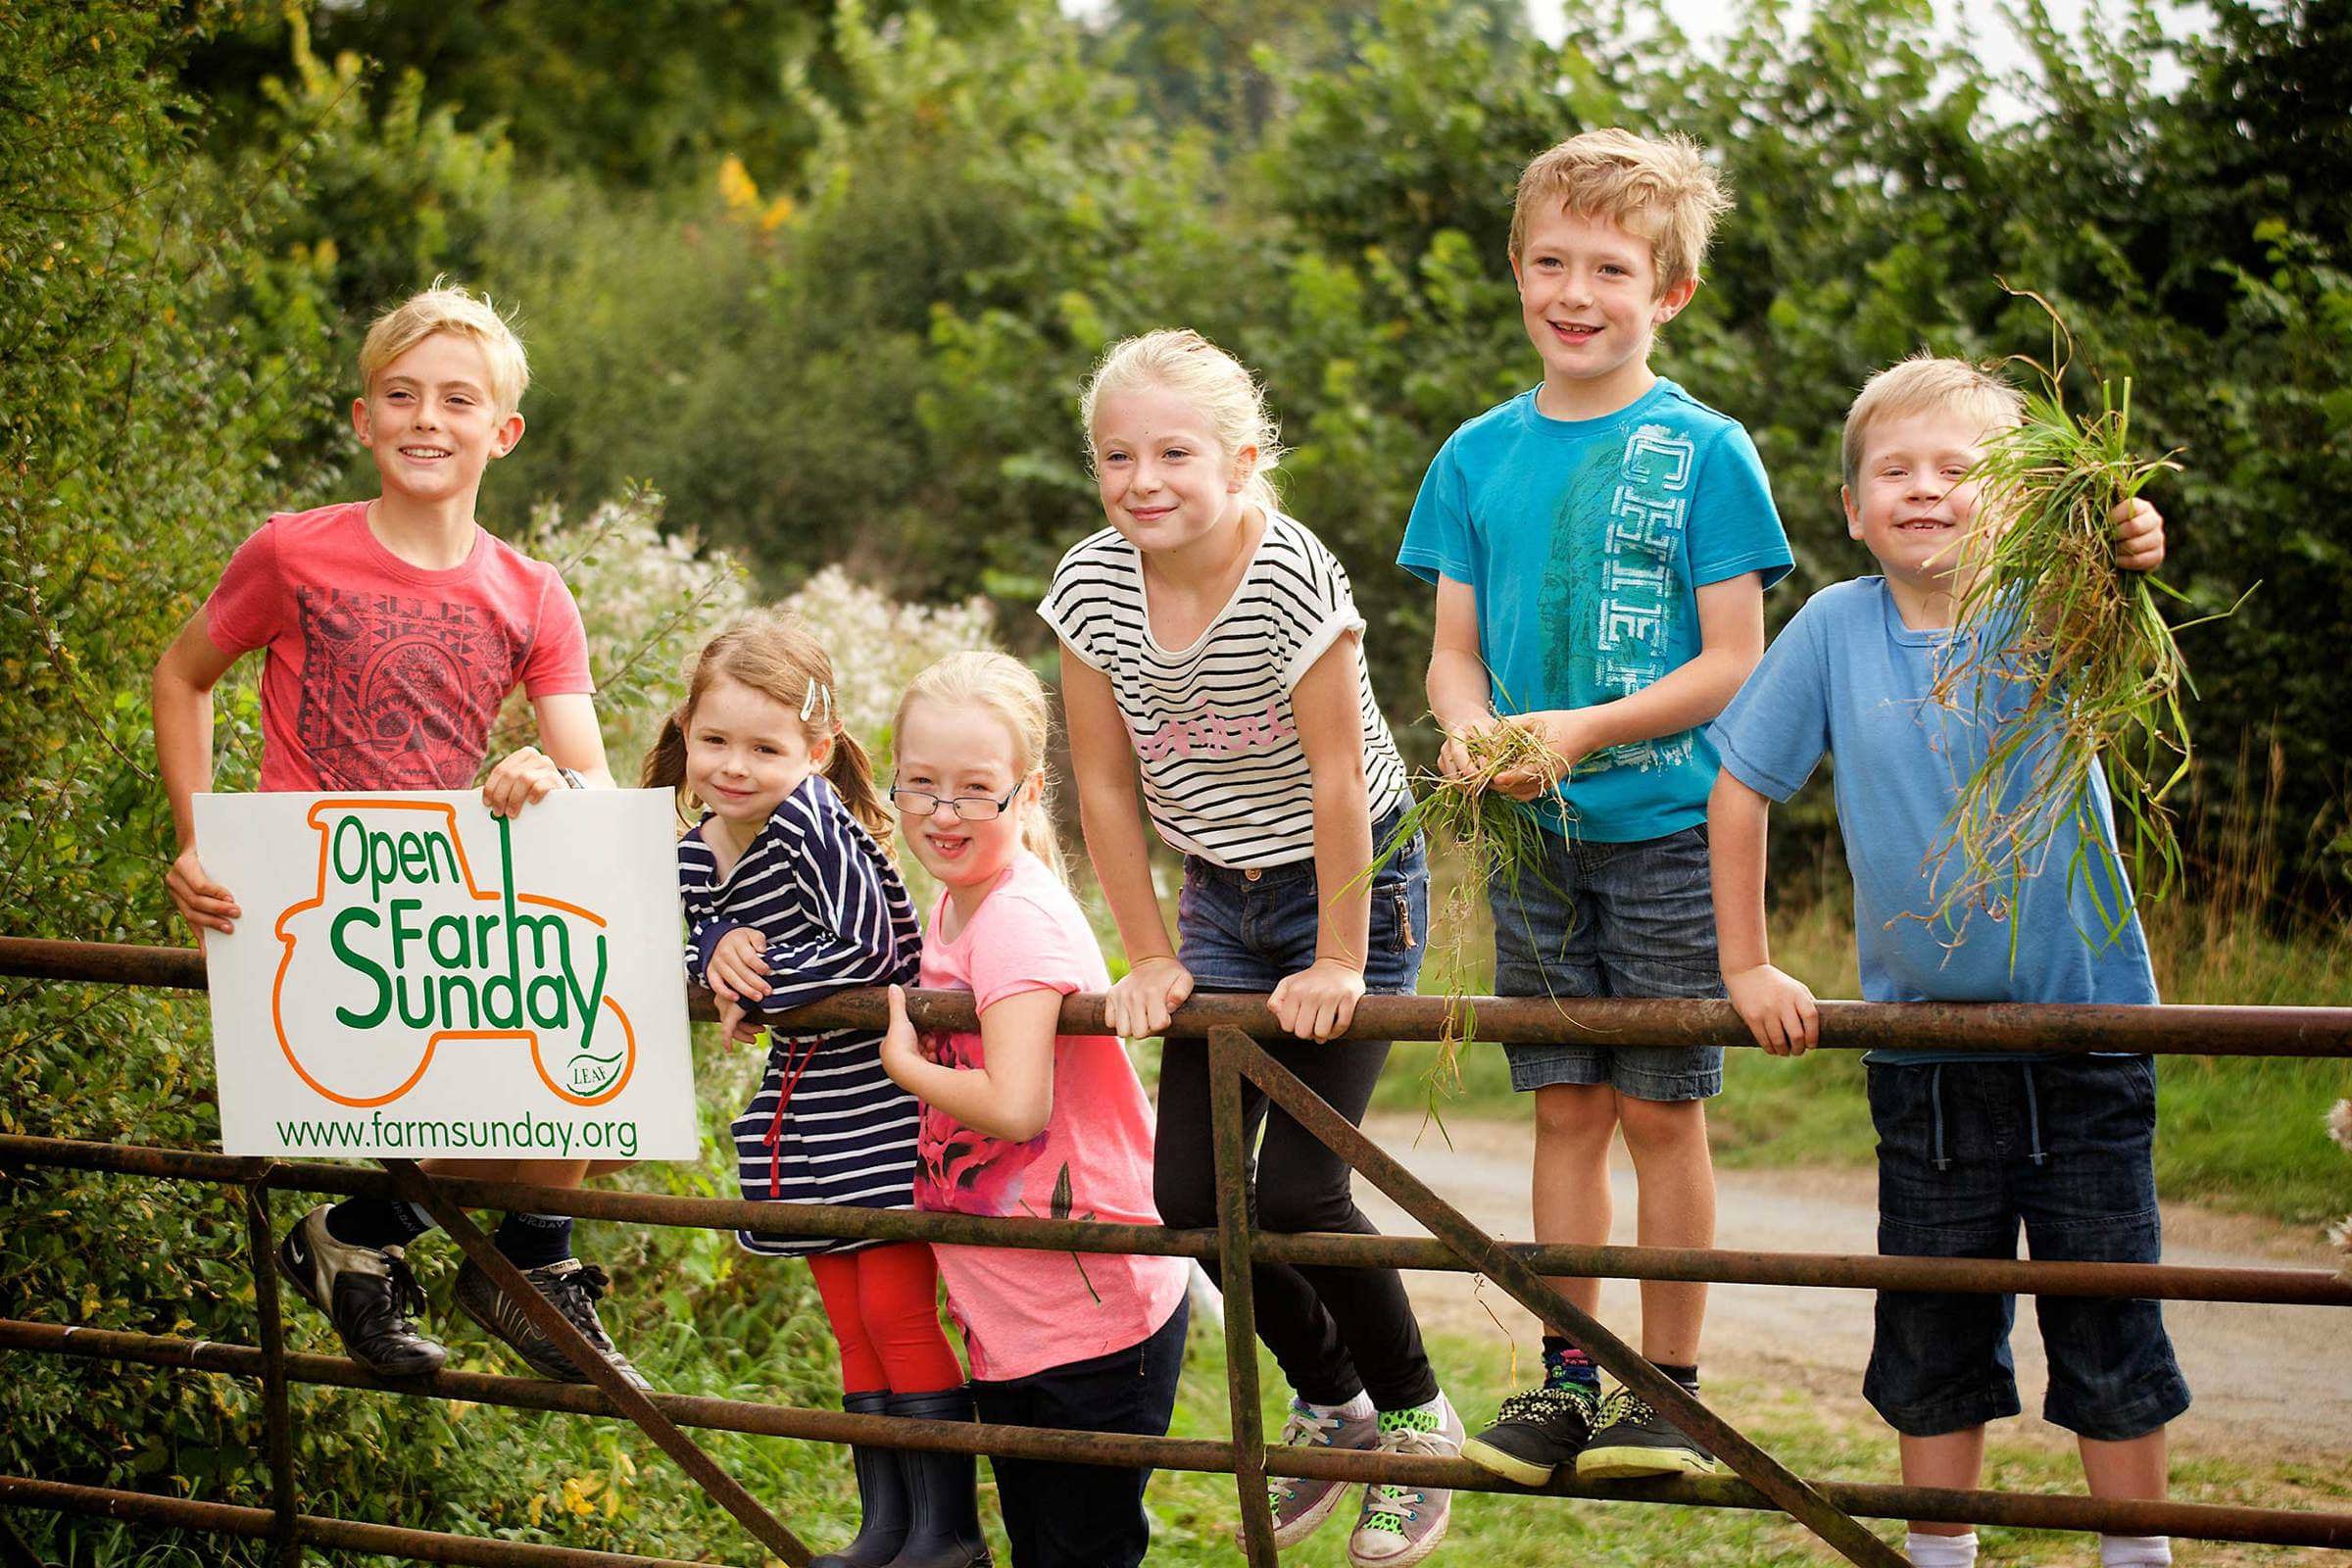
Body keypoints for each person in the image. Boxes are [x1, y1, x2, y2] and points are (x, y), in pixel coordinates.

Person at [1706, 352, 2186, 1568]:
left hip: (2084, 1039)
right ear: (1853, 508)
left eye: (1961, 470)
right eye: (1894, 470)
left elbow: (2129, 560)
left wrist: (2126, 538)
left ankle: (2137, 1553)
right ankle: (1941, 1553)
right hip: (1922, 1049)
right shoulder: (1831, 627)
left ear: (2023, 502)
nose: (1925, 489)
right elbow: (1741, 786)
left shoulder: (2063, 608)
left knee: (2107, 1315)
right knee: (1933, 1323)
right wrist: (1750, 965)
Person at [152, 282, 642, 1388]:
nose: (428, 418)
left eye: (458, 400)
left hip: (434, 900)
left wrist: (548, 772)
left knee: (587, 1066)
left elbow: (594, 777)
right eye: (401, 395)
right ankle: (500, 1254)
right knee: (532, 1108)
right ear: (364, 417)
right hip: (310, 903)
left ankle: (387, 1238)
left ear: (502, 431)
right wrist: (197, 840)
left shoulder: (533, 591)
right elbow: (182, 676)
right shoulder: (290, 553)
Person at [1397, 127, 1791, 1485]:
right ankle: (1570, 1383)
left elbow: (1731, 659)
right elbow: (1453, 649)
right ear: (1516, 271)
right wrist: (1467, 731)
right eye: (1551, 261)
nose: (1577, 291)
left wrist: (1581, 729)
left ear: (1667, 292)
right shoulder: (1473, 455)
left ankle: (1667, 1396)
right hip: (1535, 846)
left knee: (1663, 1111)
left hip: (1670, 833)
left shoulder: (1706, 448)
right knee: (1564, 1110)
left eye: (1611, 268)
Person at [1042, 329, 1459, 1565]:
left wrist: (1338, 956)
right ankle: (1333, 1404)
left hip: (1355, 880)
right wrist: (1151, 950)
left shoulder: (1287, 575)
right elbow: (1105, 790)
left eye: (1174, 452)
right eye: (1117, 454)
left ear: (1242, 458)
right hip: (1218, 897)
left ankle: (1420, 1425)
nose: (1142, 479)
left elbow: (1341, 778)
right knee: (1188, 1196)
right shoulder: (1091, 587)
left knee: (1298, 1190)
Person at [647, 610, 970, 1568]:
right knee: (849, 1317)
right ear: (688, 734)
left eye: (764, 745)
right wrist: (717, 950)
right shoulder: (701, 839)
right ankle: (885, 1526)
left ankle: (946, 1534)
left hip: (879, 1098)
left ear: (816, 749)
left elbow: (867, 948)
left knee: (899, 1311)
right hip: (805, 1113)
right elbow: (685, 937)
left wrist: (759, 975)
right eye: (715, 741)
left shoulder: (813, 822)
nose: (734, 765)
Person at [877, 651, 1190, 1568]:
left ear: (1027, 789)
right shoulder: (957, 901)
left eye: (976, 789)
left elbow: (1016, 1107)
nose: (943, 813)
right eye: (922, 784)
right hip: (1021, 1314)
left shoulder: (1015, 917)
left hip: (1089, 1312)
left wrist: (905, 1063)